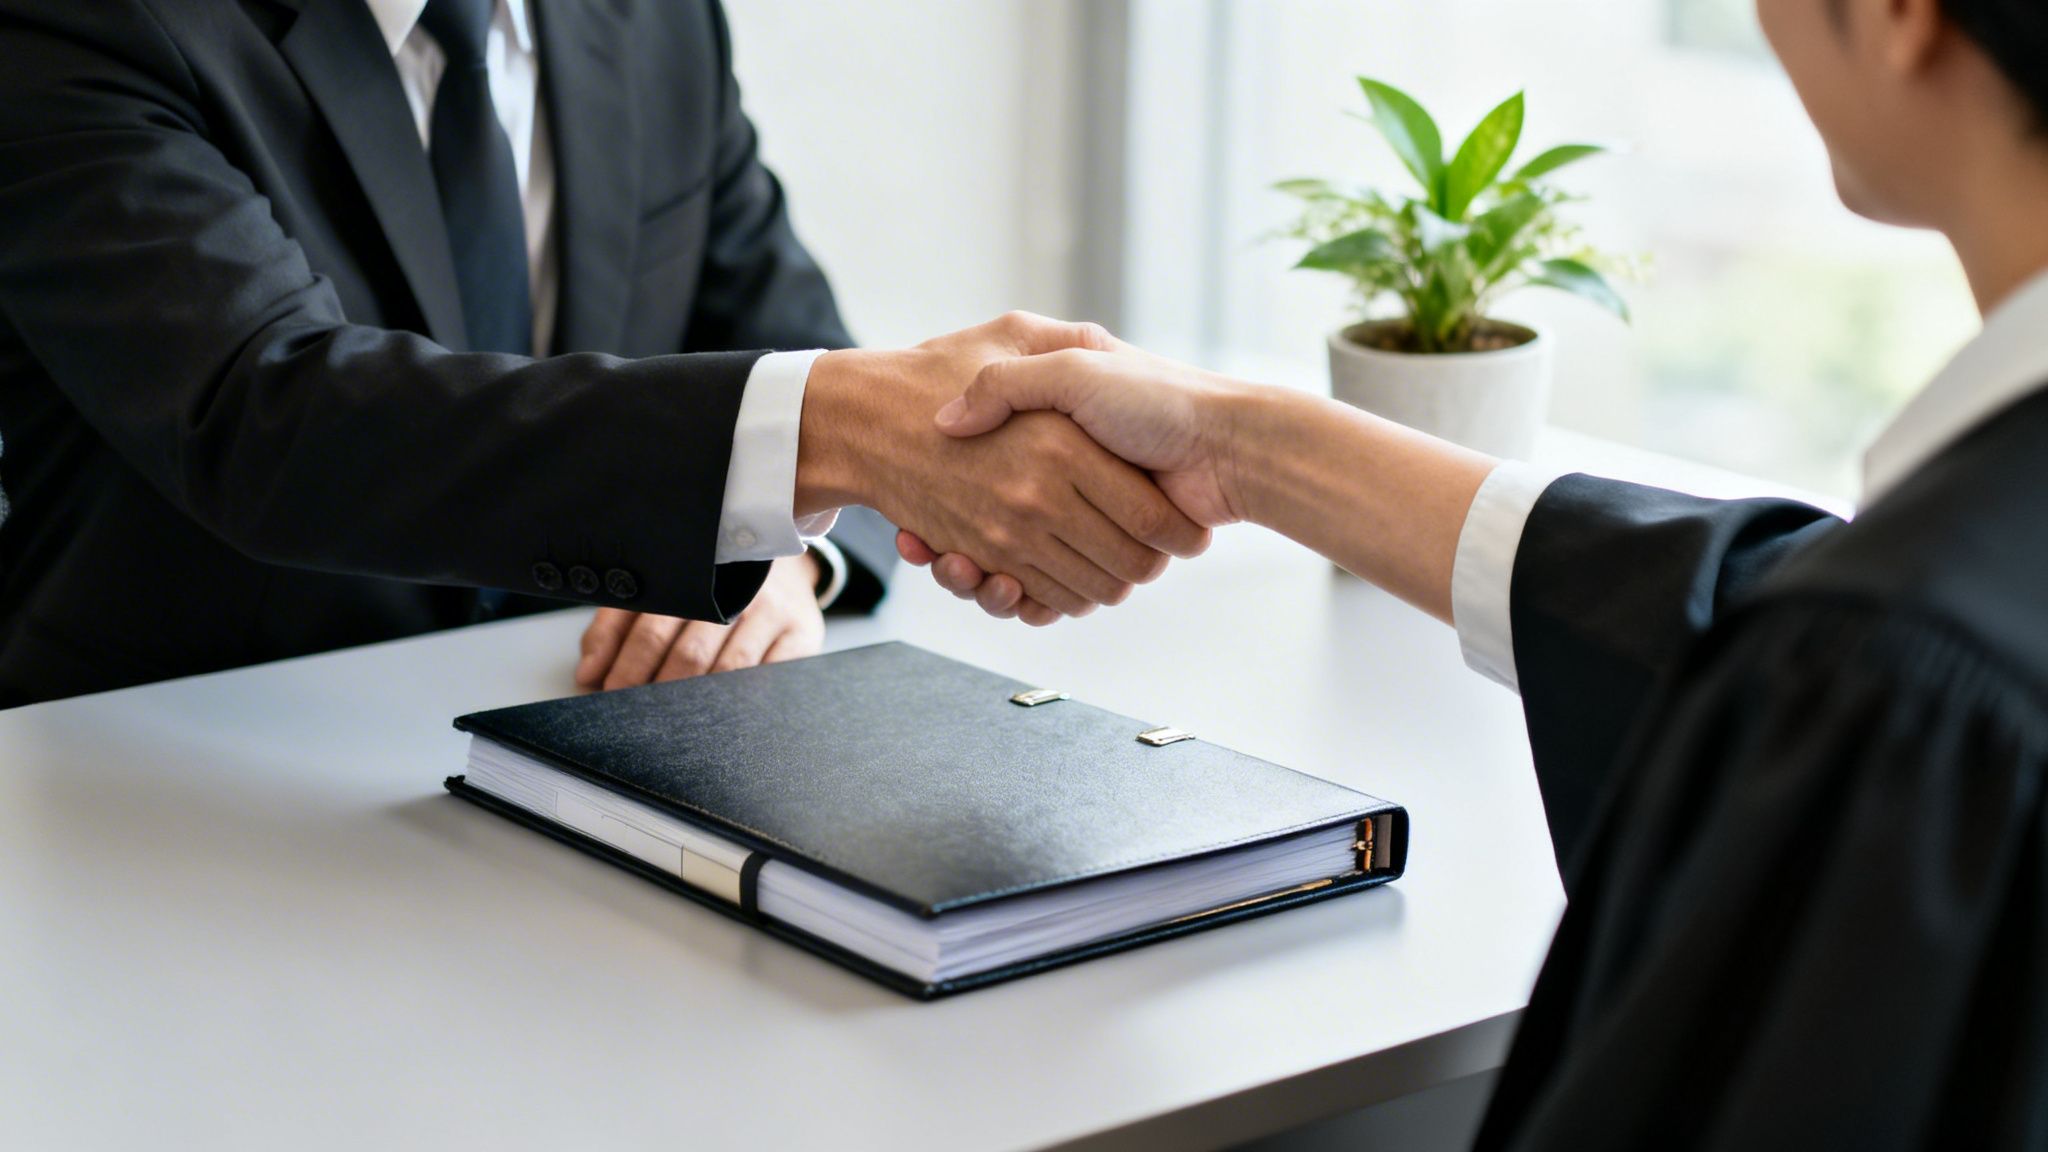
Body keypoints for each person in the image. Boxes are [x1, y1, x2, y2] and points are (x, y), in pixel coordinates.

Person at [906, 0, 2048, 1144]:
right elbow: (1741, 613)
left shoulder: (1897, 684)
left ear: (1901, 15)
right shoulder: (1932, 627)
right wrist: (1235, 446)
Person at [0, 0, 1208, 707]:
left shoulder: (655, 19)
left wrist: (776, 565)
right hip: (170, 785)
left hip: (596, 747)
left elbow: (776, 324)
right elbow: (269, 416)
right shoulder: (81, 27)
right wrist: (833, 431)